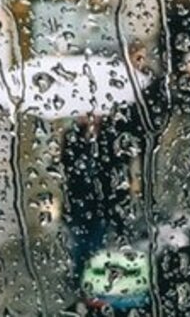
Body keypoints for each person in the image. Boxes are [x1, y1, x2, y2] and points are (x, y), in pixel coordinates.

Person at [61, 114, 131, 278]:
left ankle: (94, 279)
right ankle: (79, 277)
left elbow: (119, 165)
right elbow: (66, 165)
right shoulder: (73, 135)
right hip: (79, 200)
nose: (91, 118)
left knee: (98, 239)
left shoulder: (111, 135)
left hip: (104, 200)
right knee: (79, 241)